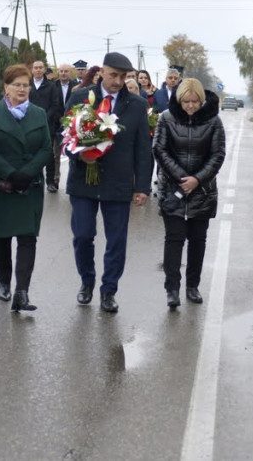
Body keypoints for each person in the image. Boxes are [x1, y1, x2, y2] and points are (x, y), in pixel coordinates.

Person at [65, 52, 153, 312]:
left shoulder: (136, 105)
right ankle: (87, 282)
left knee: (116, 239)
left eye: (123, 77)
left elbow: (142, 149)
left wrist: (142, 187)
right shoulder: (81, 98)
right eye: (113, 75)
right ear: (102, 71)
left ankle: (109, 290)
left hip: (118, 182)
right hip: (84, 181)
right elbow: (65, 136)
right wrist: (81, 154)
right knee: (83, 236)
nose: (118, 81)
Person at [0, 64, 53, 312]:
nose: (22, 89)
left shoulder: (39, 113)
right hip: (2, 183)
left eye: (26, 85)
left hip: (29, 184)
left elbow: (46, 148)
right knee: (2, 236)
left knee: (27, 237)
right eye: (17, 85)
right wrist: (10, 173)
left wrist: (28, 173)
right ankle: (4, 281)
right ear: (6, 87)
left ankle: (22, 291)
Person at [152, 78, 226, 307]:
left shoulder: (213, 121)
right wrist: (181, 178)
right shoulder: (166, 118)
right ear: (179, 99)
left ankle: (192, 286)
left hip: (202, 190)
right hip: (173, 188)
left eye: (195, 102)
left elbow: (217, 155)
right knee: (174, 239)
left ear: (201, 101)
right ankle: (172, 288)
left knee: (198, 240)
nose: (191, 106)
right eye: (186, 101)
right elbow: (159, 149)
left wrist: (197, 179)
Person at [28, 60, 64, 193]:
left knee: (48, 155)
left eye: (40, 68)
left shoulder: (51, 86)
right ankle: (33, 179)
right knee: (32, 153)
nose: (38, 70)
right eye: (35, 67)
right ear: (32, 70)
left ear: (44, 70)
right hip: (29, 125)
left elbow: (55, 105)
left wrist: (43, 118)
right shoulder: (27, 85)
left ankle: (50, 181)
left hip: (47, 125)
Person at [52, 62, 79, 192]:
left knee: (73, 152)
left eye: (66, 71)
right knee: (56, 154)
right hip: (57, 124)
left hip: (72, 124)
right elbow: (53, 104)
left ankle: (72, 181)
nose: (63, 73)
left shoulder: (76, 86)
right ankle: (55, 179)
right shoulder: (53, 86)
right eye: (61, 71)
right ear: (58, 73)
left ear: (70, 73)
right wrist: (59, 118)